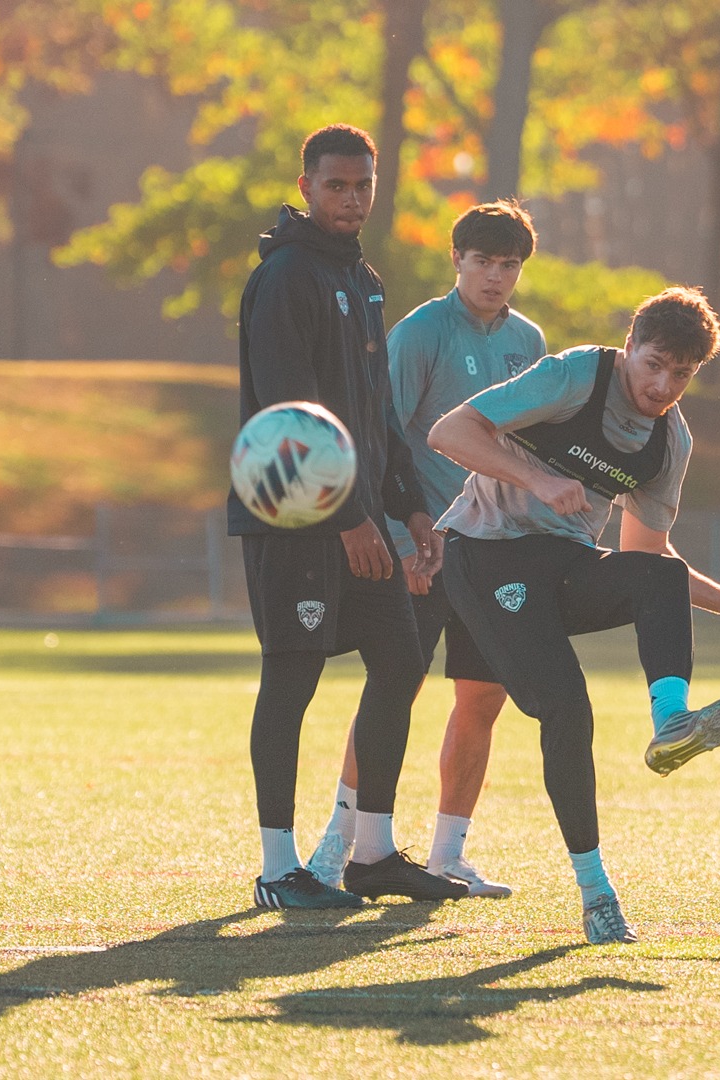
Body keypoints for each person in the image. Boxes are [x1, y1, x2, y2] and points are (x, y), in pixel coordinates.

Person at [428, 287, 720, 944]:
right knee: (567, 708)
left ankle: (671, 721)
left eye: (681, 374)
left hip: (562, 564)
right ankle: (597, 893)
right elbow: (450, 431)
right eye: (654, 364)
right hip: (486, 555)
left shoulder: (669, 440)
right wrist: (537, 480)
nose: (662, 384)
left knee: (660, 576)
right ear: (630, 347)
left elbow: (644, 552)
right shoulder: (575, 376)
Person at [233, 124, 468, 909]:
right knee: (292, 677)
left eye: (363, 184)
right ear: (305, 187)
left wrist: (409, 507)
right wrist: (348, 518)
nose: (352, 197)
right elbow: (288, 410)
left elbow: (377, 413)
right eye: (336, 184)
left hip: (366, 519)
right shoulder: (285, 277)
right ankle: (276, 869)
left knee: (401, 663)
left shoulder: (363, 279)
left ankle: (371, 854)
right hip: (300, 521)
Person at [307, 200, 547, 899]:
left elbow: (524, 443)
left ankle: (449, 854)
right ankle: (335, 847)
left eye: (509, 265)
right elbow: (384, 435)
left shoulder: (529, 341)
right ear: (457, 260)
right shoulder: (421, 332)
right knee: (394, 689)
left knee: (484, 696)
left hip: (495, 547)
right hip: (423, 546)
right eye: (484, 262)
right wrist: (400, 536)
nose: (496, 277)